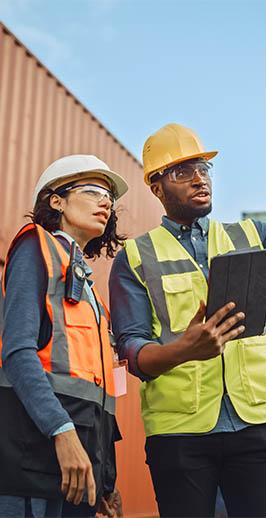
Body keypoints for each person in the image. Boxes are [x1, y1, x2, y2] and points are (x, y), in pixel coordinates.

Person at [109, 101, 266, 517]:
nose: (198, 179)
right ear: (156, 188)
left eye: (204, 169)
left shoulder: (250, 236)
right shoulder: (135, 258)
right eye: (182, 172)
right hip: (180, 434)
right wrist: (184, 349)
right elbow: (133, 354)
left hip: (254, 424)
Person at [0, 155, 129, 518]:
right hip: (38, 458)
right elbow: (18, 352)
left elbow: (98, 393)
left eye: (110, 198)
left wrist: (106, 478)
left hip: (79, 466)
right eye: (93, 191)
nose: (106, 202)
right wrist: (62, 432)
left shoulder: (92, 296)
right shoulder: (35, 248)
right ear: (56, 200)